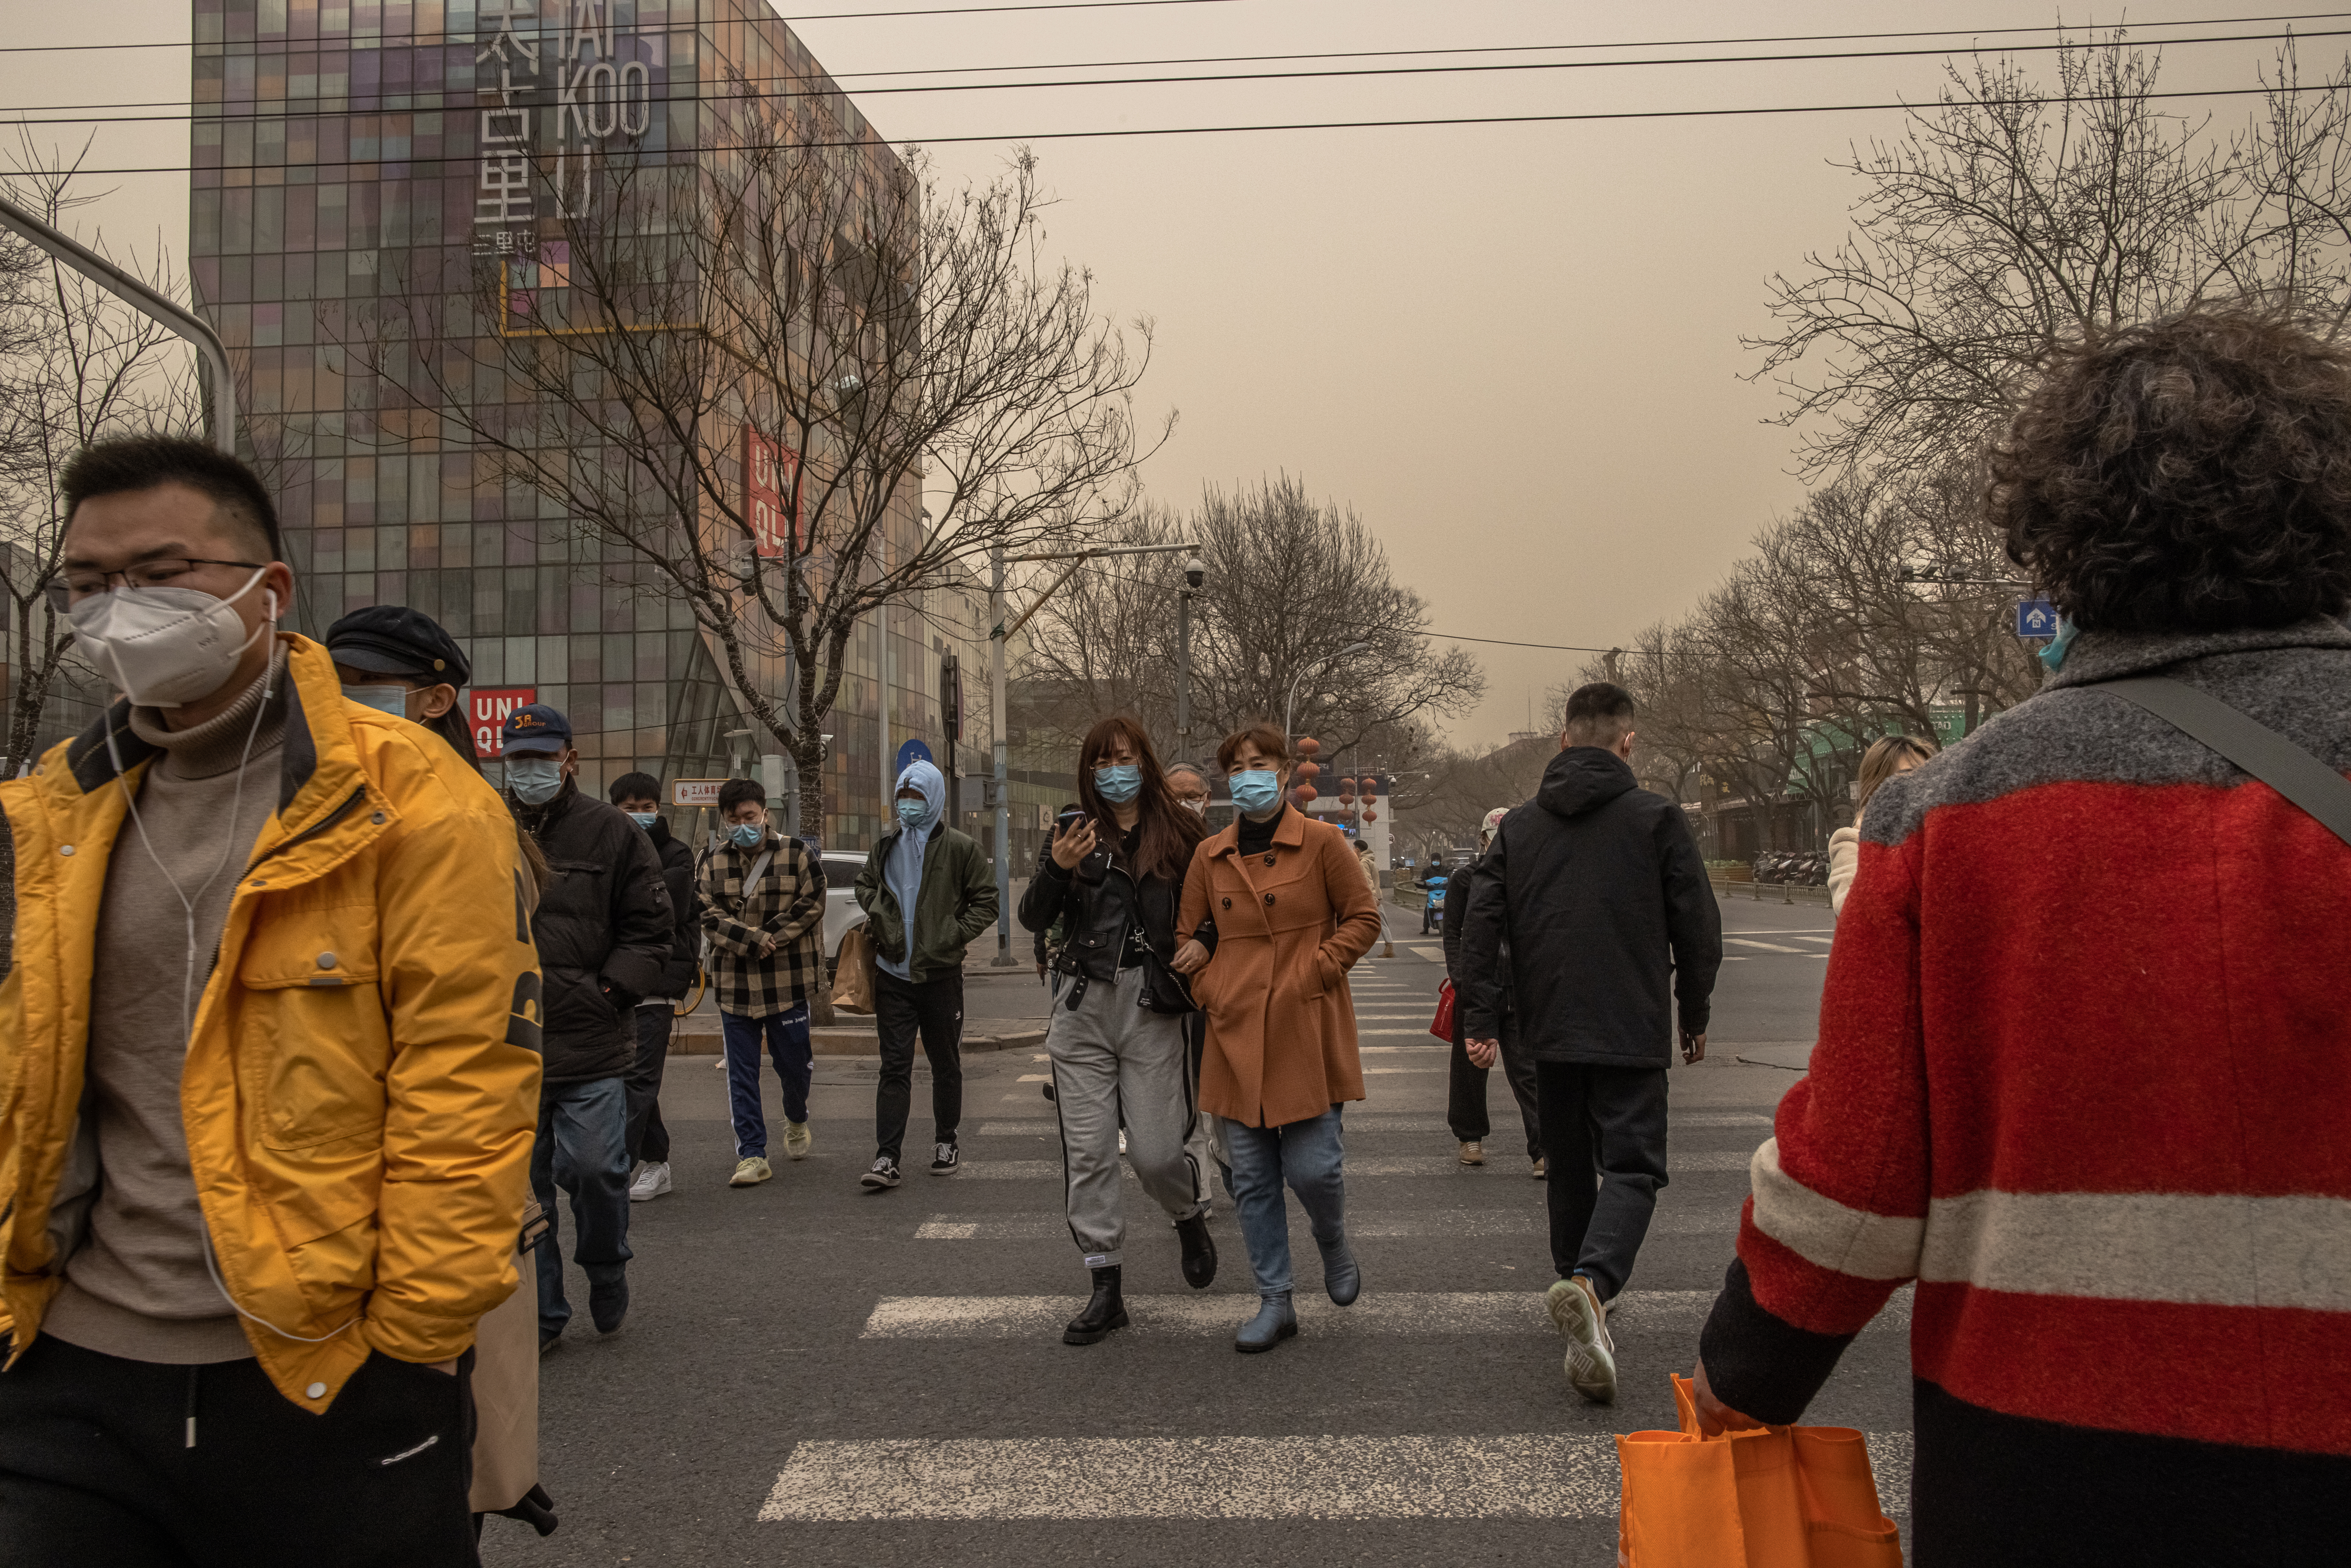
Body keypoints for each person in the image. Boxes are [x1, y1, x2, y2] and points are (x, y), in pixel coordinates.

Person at [1693, 309, 2351, 1561]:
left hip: (2049, 1469)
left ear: (2062, 537)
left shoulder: (1950, 815)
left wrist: (1747, 1372)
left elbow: (1857, 1190)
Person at [0, 435, 539, 1564]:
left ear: (265, 590)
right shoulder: (58, 808)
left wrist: (409, 1347)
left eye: (158, 573)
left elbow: (465, 1098)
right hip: (73, 1372)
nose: (118, 609)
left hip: (327, 1376)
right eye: (88, 585)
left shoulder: (412, 800)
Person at [325, 603, 559, 1535]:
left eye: (362, 687)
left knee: (416, 1485)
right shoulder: (303, 799)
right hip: (310, 1209)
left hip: (417, 1200)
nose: (338, 706)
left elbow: (468, 1066)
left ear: (433, 700)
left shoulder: (459, 823)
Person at [1459, 682, 1721, 1404]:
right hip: (1629, 1024)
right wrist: (1692, 1010)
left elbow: (1480, 927)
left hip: (1547, 1028)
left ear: (1563, 739)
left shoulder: (1518, 827)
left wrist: (1480, 1019)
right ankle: (1592, 1283)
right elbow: (1697, 925)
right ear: (1627, 741)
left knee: (1569, 1167)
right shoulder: (1656, 818)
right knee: (1634, 1167)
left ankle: (1580, 1295)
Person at [1174, 725, 1383, 1353]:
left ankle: (1332, 1239)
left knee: (1314, 1168)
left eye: (1258, 763)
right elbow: (1184, 939)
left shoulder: (1321, 842)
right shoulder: (1209, 855)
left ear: (1287, 769)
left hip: (1304, 1026)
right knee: (1255, 1182)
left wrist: (1317, 969)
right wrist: (1213, 989)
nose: (1246, 774)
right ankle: (1276, 1299)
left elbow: (1365, 917)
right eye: (1235, 766)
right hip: (1236, 1032)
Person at [1020, 717, 1217, 1344]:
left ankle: (1186, 1212)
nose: (1114, 770)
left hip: (1152, 1004)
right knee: (1090, 1153)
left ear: (1145, 761)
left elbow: (1218, 906)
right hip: (1082, 1004)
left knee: (1159, 1151)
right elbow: (1033, 915)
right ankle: (1106, 1286)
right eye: (1103, 761)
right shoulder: (1073, 832)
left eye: (1125, 757)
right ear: (1089, 770)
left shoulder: (1183, 830)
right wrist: (1056, 867)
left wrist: (1205, 944)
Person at [499, 703, 673, 1351]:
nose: (530, 770)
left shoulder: (613, 831)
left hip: (593, 1039)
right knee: (527, 1193)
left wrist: (610, 990)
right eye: (518, 758)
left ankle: (606, 1267)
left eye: (543, 757)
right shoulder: (481, 824)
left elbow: (651, 930)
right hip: (507, 1042)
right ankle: (543, 1315)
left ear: (569, 758)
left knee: (599, 1170)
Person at [853, 758, 998, 1189]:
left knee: (945, 1063)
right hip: (892, 974)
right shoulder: (886, 846)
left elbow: (987, 901)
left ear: (933, 798)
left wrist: (951, 935)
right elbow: (865, 886)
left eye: (916, 797)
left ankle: (946, 1141)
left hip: (940, 976)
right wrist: (880, 911)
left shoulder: (960, 848)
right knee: (894, 1066)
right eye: (903, 797)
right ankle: (886, 1157)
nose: (908, 806)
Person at [701, 777, 825, 1188]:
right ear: (724, 820)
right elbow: (708, 914)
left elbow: (813, 902)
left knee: (795, 1067)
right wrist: (755, 940)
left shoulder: (797, 853)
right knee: (741, 1074)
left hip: (786, 983)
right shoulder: (712, 861)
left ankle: (796, 1116)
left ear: (765, 814)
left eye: (750, 817)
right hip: (735, 988)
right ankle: (752, 1154)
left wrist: (775, 936)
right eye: (734, 819)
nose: (744, 825)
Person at [609, 772, 698, 1202]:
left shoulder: (677, 854)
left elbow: (668, 911)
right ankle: (659, 1163)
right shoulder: (604, 847)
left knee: (638, 1080)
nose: (641, 815)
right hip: (613, 983)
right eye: (631, 808)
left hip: (658, 983)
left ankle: (613, 1168)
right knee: (626, 1077)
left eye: (648, 807)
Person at [1443, 807, 1543, 1175]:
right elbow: (1452, 933)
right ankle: (1469, 1137)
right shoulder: (1464, 880)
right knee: (1469, 1069)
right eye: (1492, 838)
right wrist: (1459, 975)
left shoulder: (1527, 879)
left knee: (1529, 1071)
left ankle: (1541, 1148)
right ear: (1482, 840)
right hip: (1475, 988)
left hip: (1518, 989)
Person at [1826, 735, 1935, 915]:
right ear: (1877, 785)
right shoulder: (1851, 843)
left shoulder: (1938, 837)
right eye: (1905, 777)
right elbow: (1851, 909)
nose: (1919, 786)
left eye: (1928, 776)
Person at [1420, 863, 1447, 934]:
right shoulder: (1427, 870)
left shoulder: (1445, 869)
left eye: (1438, 860)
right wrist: (1423, 881)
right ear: (1432, 861)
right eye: (1435, 860)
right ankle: (1426, 928)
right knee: (1427, 909)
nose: (1436, 862)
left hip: (1443, 891)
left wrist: (1450, 873)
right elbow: (1423, 878)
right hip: (1432, 892)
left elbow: (1450, 876)